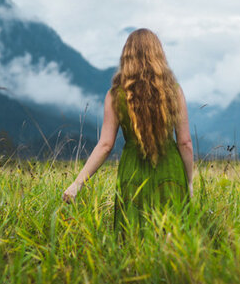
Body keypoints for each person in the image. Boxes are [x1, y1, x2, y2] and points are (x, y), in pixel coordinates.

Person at [61, 28, 195, 226]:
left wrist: (77, 184)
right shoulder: (174, 92)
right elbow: (185, 142)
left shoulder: (115, 95)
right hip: (171, 170)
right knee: (172, 236)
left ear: (127, 56)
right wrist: (189, 181)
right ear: (159, 55)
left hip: (132, 172)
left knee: (132, 235)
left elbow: (105, 145)